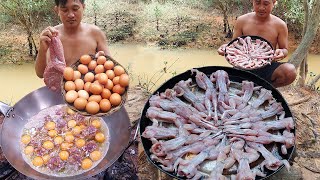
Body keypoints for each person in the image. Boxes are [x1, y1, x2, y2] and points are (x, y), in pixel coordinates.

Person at [217, 0, 296, 88]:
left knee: (290, 71)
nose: (261, 7)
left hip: (267, 66)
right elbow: (235, 44)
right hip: (243, 66)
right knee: (220, 78)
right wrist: (226, 48)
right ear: (252, 1)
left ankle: (266, 89)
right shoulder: (242, 20)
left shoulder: (280, 25)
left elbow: (284, 49)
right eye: (257, 3)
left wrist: (281, 52)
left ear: (274, 2)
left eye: (266, 3)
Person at [35, 0, 111, 78]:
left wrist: (101, 60)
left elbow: (110, 68)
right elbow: (41, 74)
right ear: (57, 10)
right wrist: (42, 51)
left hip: (91, 87)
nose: (71, 15)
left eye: (75, 9)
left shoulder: (96, 33)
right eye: (64, 10)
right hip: (60, 88)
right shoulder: (52, 36)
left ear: (83, 7)